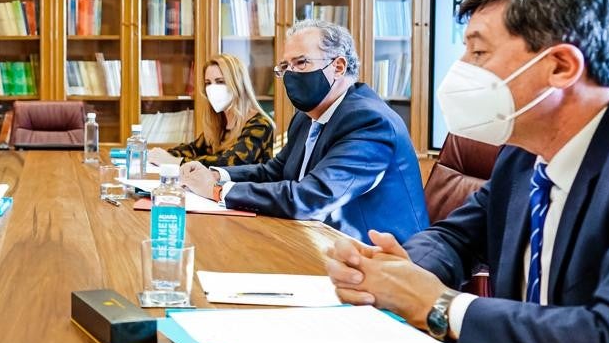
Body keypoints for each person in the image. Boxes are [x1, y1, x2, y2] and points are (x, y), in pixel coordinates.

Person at [325, 0, 609, 343]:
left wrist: (439, 305)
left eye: (478, 53)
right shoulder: (524, 153)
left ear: (560, 66)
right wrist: (394, 270)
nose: (461, 69)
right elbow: (455, 235)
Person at [180, 19, 427, 243]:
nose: (291, 74)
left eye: (301, 63)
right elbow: (276, 171)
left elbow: (312, 197)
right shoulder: (306, 117)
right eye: (285, 67)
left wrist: (217, 191)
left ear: (338, 66)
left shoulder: (369, 121)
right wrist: (217, 176)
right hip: (318, 241)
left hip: (381, 262)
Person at [146, 53, 274, 168]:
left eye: (220, 82)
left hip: (246, 193)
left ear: (238, 84)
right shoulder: (220, 123)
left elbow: (231, 162)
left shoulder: (260, 125)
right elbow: (193, 149)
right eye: (208, 83)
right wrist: (163, 155)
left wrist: (177, 162)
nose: (213, 88)